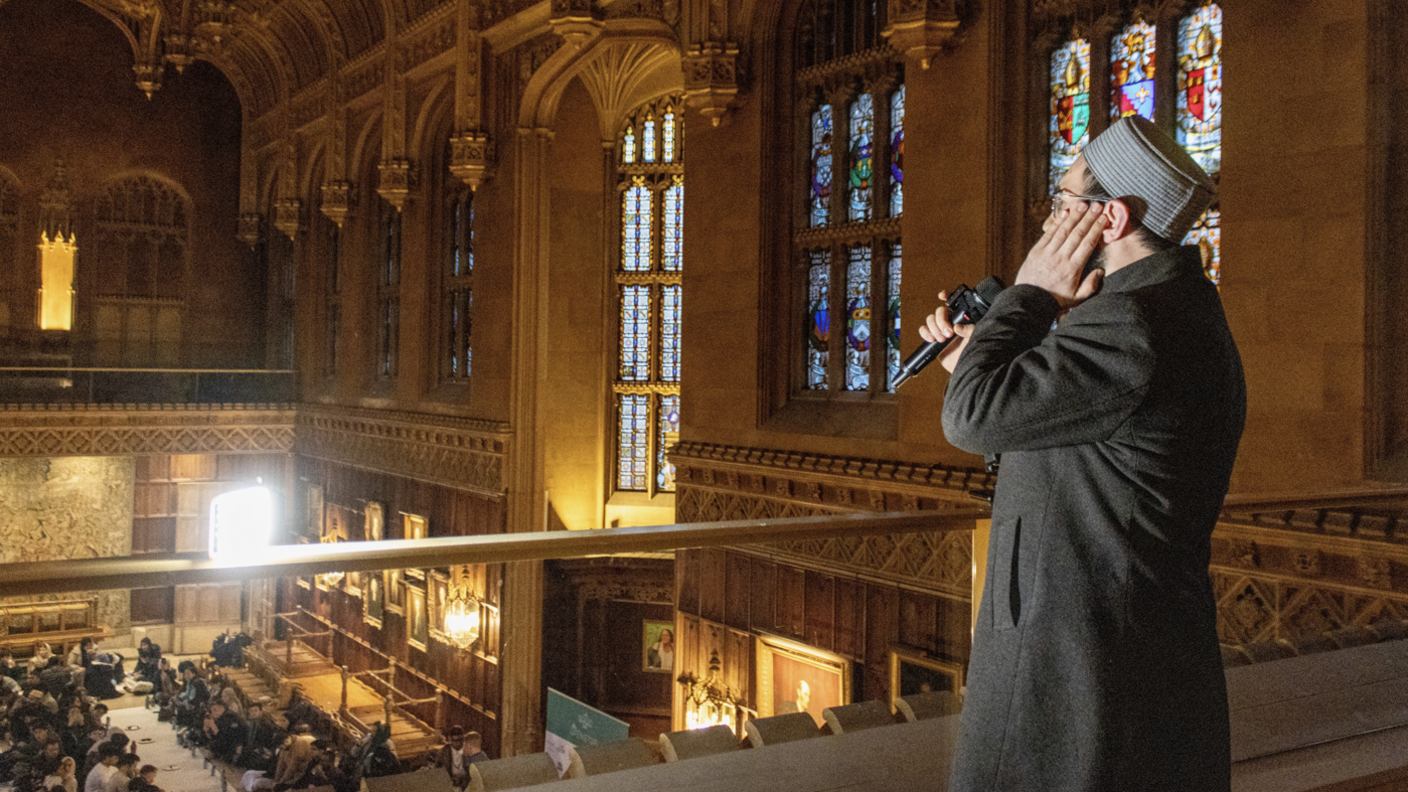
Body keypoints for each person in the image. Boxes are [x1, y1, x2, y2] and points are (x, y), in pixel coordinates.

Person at [925, 115, 1244, 791]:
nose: (1048, 227)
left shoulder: (1131, 324)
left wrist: (1031, 294)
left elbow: (969, 422)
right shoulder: (1171, 306)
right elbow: (1081, 437)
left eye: (1062, 206)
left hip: (1083, 674)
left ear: (1112, 218)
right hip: (1115, 656)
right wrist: (984, 361)